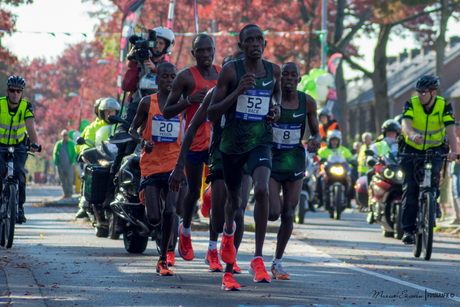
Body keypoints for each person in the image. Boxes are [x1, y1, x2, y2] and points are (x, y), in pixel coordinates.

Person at [169, 51, 250, 290]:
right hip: (208, 148)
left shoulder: (254, 90)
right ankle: (187, 228)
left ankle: (225, 259)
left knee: (239, 209)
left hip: (240, 155)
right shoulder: (200, 84)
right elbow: (187, 122)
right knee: (196, 196)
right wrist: (179, 163)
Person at [208, 24, 281, 284]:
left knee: (261, 190)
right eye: (248, 40)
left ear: (264, 43)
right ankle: (227, 237)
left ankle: (258, 258)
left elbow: (276, 96)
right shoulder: (230, 71)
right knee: (234, 204)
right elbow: (211, 113)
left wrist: (276, 110)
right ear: (241, 46)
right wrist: (238, 91)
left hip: (260, 141)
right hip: (231, 145)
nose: (254, 43)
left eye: (259, 39)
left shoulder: (274, 70)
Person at [163, 34, 221, 262]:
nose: (206, 54)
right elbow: (167, 111)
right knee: (193, 192)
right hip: (194, 142)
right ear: (193, 53)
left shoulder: (222, 74)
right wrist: (189, 101)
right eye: (201, 51)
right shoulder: (186, 77)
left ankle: (212, 249)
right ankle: (185, 230)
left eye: (209, 50)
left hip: (217, 143)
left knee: (219, 196)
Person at [268, 62, 320, 280]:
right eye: (285, 74)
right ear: (280, 78)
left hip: (295, 160)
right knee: (273, 213)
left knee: (289, 213)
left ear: (299, 79)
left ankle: (277, 262)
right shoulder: (271, 98)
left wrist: (315, 140)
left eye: (293, 75)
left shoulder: (307, 102)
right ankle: (259, 254)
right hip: (271, 159)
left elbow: (316, 133)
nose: (288, 78)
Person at [128, 62, 180, 276]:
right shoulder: (147, 103)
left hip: (174, 165)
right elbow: (132, 129)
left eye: (172, 77)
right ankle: (146, 194)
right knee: (154, 219)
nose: (169, 81)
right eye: (165, 77)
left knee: (170, 211)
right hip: (151, 165)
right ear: (157, 80)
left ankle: (163, 258)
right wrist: (142, 141)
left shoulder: (181, 104)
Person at [400, 75, 458, 244]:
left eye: (424, 92)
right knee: (410, 187)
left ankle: (433, 203)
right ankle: (408, 230)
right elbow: (405, 124)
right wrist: (412, 135)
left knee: (433, 178)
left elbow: (451, 131)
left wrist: (454, 152)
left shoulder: (444, 105)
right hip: (412, 147)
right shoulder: (411, 103)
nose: (420, 95)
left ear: (433, 92)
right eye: (418, 92)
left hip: (435, 148)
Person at [1, 76, 40, 224]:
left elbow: (30, 126)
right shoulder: (0, 104)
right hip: (0, 145)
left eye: (18, 91)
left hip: (18, 146)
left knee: (19, 173)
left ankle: (19, 208)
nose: (15, 94)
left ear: (22, 92)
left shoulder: (26, 106)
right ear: (7, 91)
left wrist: (34, 143)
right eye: (12, 90)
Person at [75, 97, 120, 219]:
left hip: (115, 158)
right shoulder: (93, 127)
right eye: (107, 112)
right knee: (88, 172)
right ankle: (84, 202)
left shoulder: (120, 126)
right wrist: (85, 150)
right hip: (99, 158)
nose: (111, 114)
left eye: (113, 111)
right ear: (102, 113)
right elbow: (84, 143)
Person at [122, 27, 175, 103]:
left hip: (160, 106)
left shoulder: (170, 67)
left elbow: (172, 87)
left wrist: (155, 69)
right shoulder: (140, 62)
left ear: (167, 46)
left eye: (161, 43)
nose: (157, 46)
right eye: (155, 42)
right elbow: (127, 87)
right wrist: (133, 63)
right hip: (137, 105)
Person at [53, 130, 77, 199]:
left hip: (69, 165)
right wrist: (56, 162)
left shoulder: (71, 144)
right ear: (62, 136)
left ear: (68, 136)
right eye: (64, 135)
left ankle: (69, 193)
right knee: (62, 180)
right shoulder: (59, 144)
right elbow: (55, 153)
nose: (65, 136)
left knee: (69, 180)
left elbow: (75, 153)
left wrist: (73, 162)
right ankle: (65, 193)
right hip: (60, 165)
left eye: (66, 135)